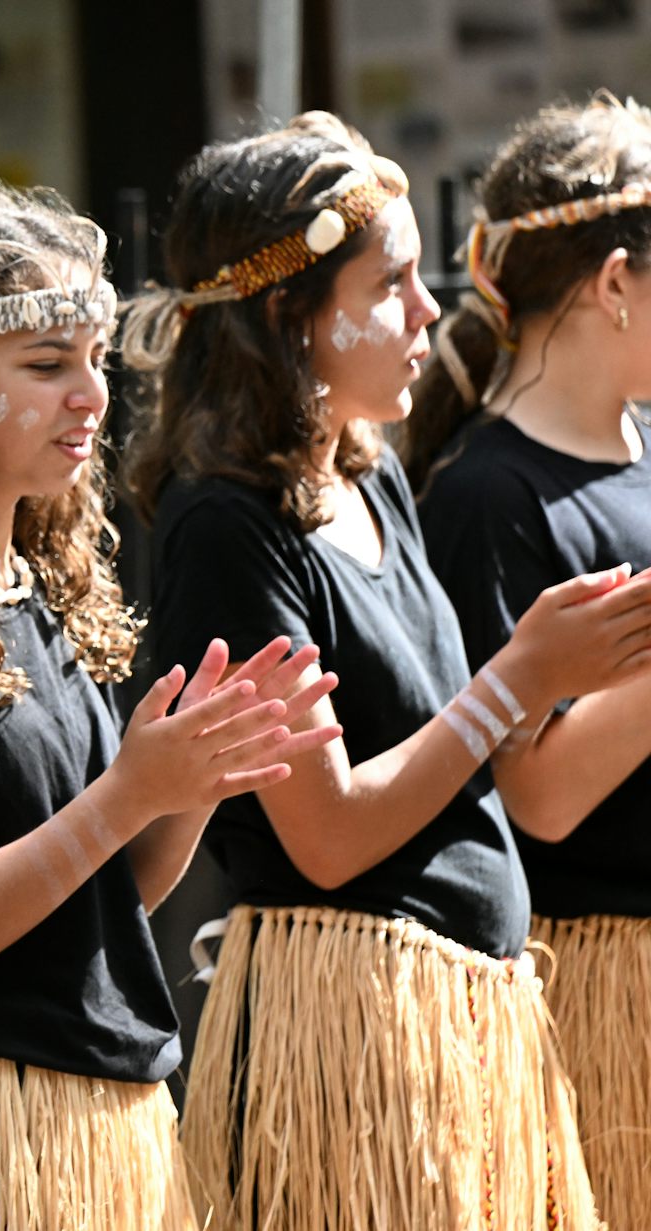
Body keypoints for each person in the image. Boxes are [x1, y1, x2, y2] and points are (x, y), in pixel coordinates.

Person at [124, 111, 648, 1230]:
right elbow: (326, 835)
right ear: (290, 315)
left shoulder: (372, 478)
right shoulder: (226, 527)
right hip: (352, 1031)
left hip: (469, 1016)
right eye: (392, 284)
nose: (428, 313)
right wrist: (522, 676)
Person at [0, 176, 338, 1231]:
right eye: (45, 366)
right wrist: (130, 792)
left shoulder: (39, 592)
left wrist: (195, 781)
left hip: (95, 1126)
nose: (91, 395)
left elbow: (112, 889)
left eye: (92, 360)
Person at [404, 92, 651, 1220]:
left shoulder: (645, 447)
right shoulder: (489, 496)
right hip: (601, 976)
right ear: (614, 282)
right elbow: (536, 793)